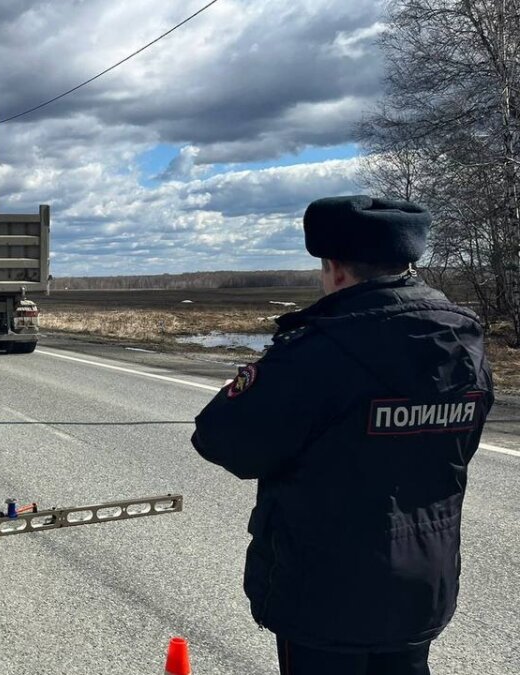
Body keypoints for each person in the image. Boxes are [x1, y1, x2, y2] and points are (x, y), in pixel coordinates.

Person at [192, 195, 493, 675]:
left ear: (334, 268)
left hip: (325, 594)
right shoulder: (464, 342)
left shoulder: (319, 349)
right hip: (423, 582)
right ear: (407, 261)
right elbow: (461, 447)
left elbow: (221, 441)